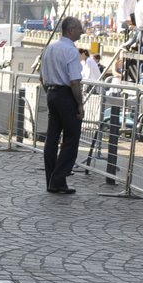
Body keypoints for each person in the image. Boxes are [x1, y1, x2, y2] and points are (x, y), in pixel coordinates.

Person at [40, 17, 85, 193]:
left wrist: (51, 93)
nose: (83, 31)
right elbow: (74, 81)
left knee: (52, 138)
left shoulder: (49, 49)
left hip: (51, 93)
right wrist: (79, 105)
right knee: (71, 139)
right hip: (66, 96)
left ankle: (52, 179)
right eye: (80, 28)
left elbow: (42, 78)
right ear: (71, 30)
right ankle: (58, 179)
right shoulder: (71, 51)